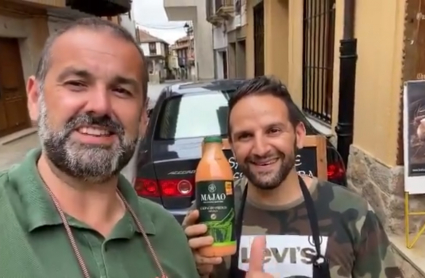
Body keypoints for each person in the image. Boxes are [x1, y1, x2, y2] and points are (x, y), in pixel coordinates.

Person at [0, 18, 198, 278]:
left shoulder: (169, 236)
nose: (100, 106)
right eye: (77, 84)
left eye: (121, 90)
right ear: (35, 97)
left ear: (142, 117)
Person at [183, 76, 403, 278]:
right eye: (245, 136)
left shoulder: (353, 215)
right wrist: (186, 264)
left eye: (273, 131)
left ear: (298, 135)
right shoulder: (210, 215)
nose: (260, 149)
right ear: (231, 145)